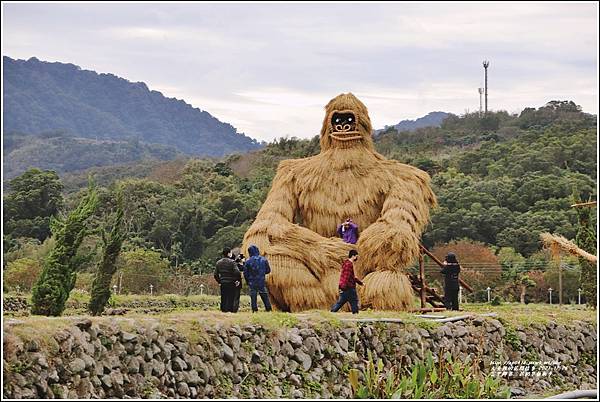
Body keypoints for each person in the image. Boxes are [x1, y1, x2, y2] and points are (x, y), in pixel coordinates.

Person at [331, 249, 363, 314]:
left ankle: (332, 312)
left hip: (346, 287)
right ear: (353, 256)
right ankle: (355, 314)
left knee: (341, 302)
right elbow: (346, 277)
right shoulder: (349, 264)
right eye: (356, 256)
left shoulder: (346, 263)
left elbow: (352, 277)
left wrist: (360, 283)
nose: (357, 258)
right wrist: (342, 287)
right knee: (354, 301)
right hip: (349, 287)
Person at [244, 245, 272, 312]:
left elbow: (245, 273)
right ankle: (268, 309)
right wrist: (262, 273)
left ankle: (254, 310)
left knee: (253, 296)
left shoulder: (248, 261)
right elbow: (268, 270)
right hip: (261, 280)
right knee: (264, 295)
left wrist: (247, 281)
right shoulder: (264, 260)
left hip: (252, 281)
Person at [214, 247, 242, 312]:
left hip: (223, 282)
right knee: (231, 297)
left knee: (223, 297)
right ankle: (230, 310)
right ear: (229, 253)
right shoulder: (232, 262)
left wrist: (219, 282)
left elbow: (215, 274)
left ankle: (223, 310)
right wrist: (236, 280)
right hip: (231, 282)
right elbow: (237, 272)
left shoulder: (218, 262)